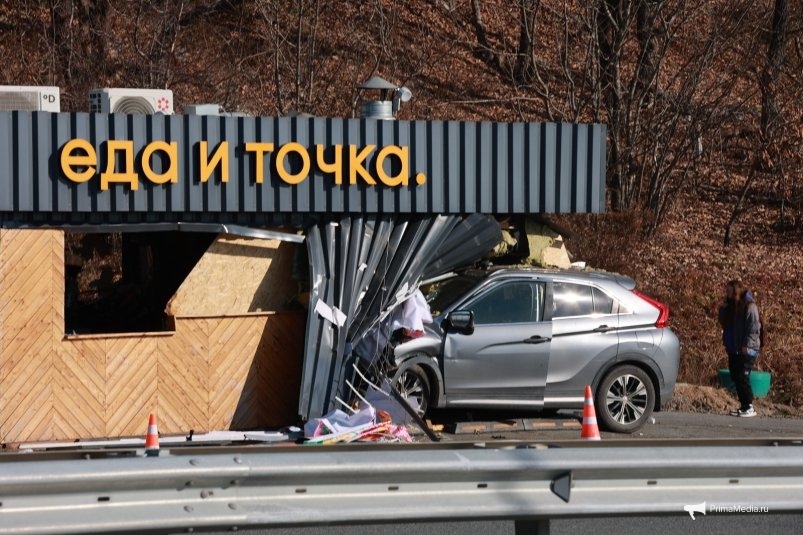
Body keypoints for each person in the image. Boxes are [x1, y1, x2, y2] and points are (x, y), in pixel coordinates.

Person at [718, 279, 762, 417]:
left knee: (742, 376)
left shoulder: (749, 306)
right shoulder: (732, 307)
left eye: (729, 291)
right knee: (735, 375)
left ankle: (749, 405)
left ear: (736, 291)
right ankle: (743, 405)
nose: (727, 293)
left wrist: (747, 345)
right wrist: (723, 307)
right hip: (734, 348)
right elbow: (722, 321)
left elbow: (754, 328)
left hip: (747, 348)